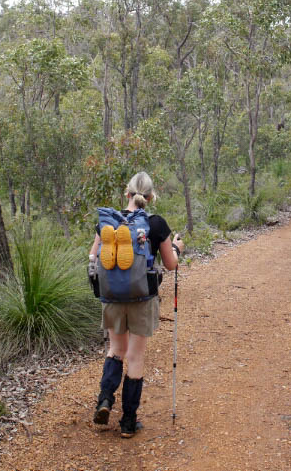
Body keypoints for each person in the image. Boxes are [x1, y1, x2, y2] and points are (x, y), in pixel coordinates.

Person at [88, 171, 184, 438]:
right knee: (135, 357)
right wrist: (177, 246)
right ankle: (128, 422)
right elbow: (170, 264)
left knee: (116, 350)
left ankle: (105, 400)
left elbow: (94, 257)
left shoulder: (108, 223)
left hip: (113, 297)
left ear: (126, 194)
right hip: (142, 298)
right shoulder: (156, 224)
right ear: (150, 197)